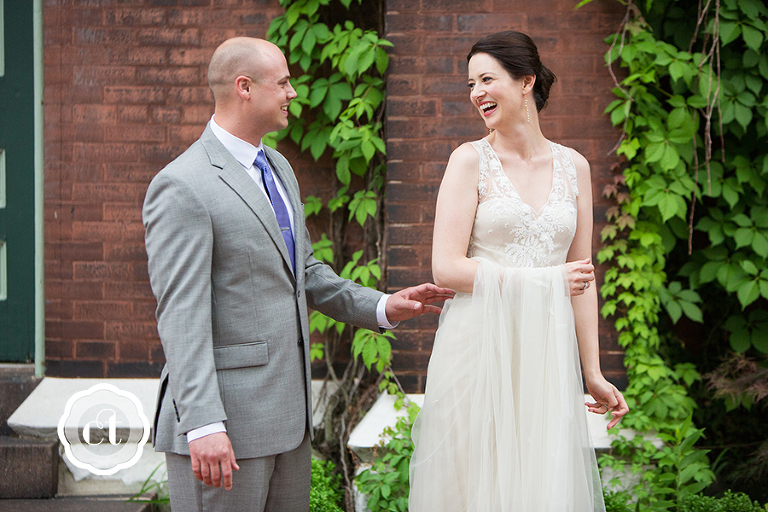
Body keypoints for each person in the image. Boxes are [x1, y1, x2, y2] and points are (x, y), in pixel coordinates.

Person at [143, 37, 455, 512]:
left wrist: (381, 305)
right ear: (244, 87)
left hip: (288, 422)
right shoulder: (183, 186)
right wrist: (203, 423)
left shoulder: (279, 168)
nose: (293, 93)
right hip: (223, 428)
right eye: (284, 82)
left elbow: (303, 271)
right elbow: (180, 314)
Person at [408, 31, 629, 512]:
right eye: (471, 83)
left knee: (539, 484)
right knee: (474, 483)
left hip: (546, 350)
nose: (476, 93)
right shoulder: (469, 161)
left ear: (526, 81)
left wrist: (590, 371)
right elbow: (445, 268)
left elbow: (581, 278)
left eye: (487, 79)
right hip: (478, 344)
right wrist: (545, 281)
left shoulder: (575, 167)